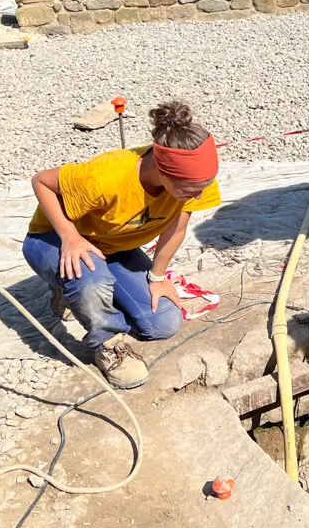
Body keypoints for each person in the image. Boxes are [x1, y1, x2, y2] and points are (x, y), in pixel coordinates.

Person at [23, 101, 221, 389]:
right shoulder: (106, 177)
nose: (197, 194)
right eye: (189, 190)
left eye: (201, 188)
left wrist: (157, 277)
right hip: (52, 239)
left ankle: (84, 296)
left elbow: (177, 229)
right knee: (89, 277)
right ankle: (107, 342)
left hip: (114, 246)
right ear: (162, 171)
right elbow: (40, 181)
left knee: (163, 323)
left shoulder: (196, 179)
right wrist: (69, 237)